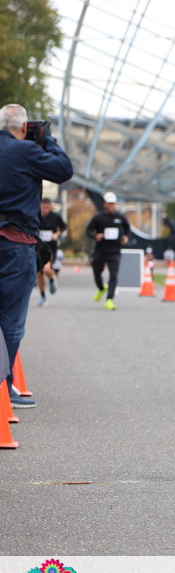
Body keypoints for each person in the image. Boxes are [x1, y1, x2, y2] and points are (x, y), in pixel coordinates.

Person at [0, 104, 73, 406]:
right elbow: (64, 170)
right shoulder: (26, 151)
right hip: (16, 244)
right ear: (24, 126)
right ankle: (3, 391)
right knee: (11, 321)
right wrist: (47, 139)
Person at [86, 191, 131, 311]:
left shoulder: (120, 217)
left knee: (113, 275)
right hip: (100, 251)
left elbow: (127, 229)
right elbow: (88, 231)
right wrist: (96, 235)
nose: (111, 205)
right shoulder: (98, 217)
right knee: (97, 273)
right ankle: (101, 288)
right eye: (109, 203)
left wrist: (126, 237)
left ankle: (109, 300)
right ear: (105, 204)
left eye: (113, 203)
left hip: (115, 251)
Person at [36, 197, 65, 305]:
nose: (45, 209)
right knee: (39, 273)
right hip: (38, 247)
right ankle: (43, 296)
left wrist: (57, 234)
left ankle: (52, 278)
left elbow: (63, 227)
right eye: (43, 206)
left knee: (47, 269)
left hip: (51, 248)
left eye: (47, 207)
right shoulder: (36, 215)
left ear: (50, 207)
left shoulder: (56, 217)